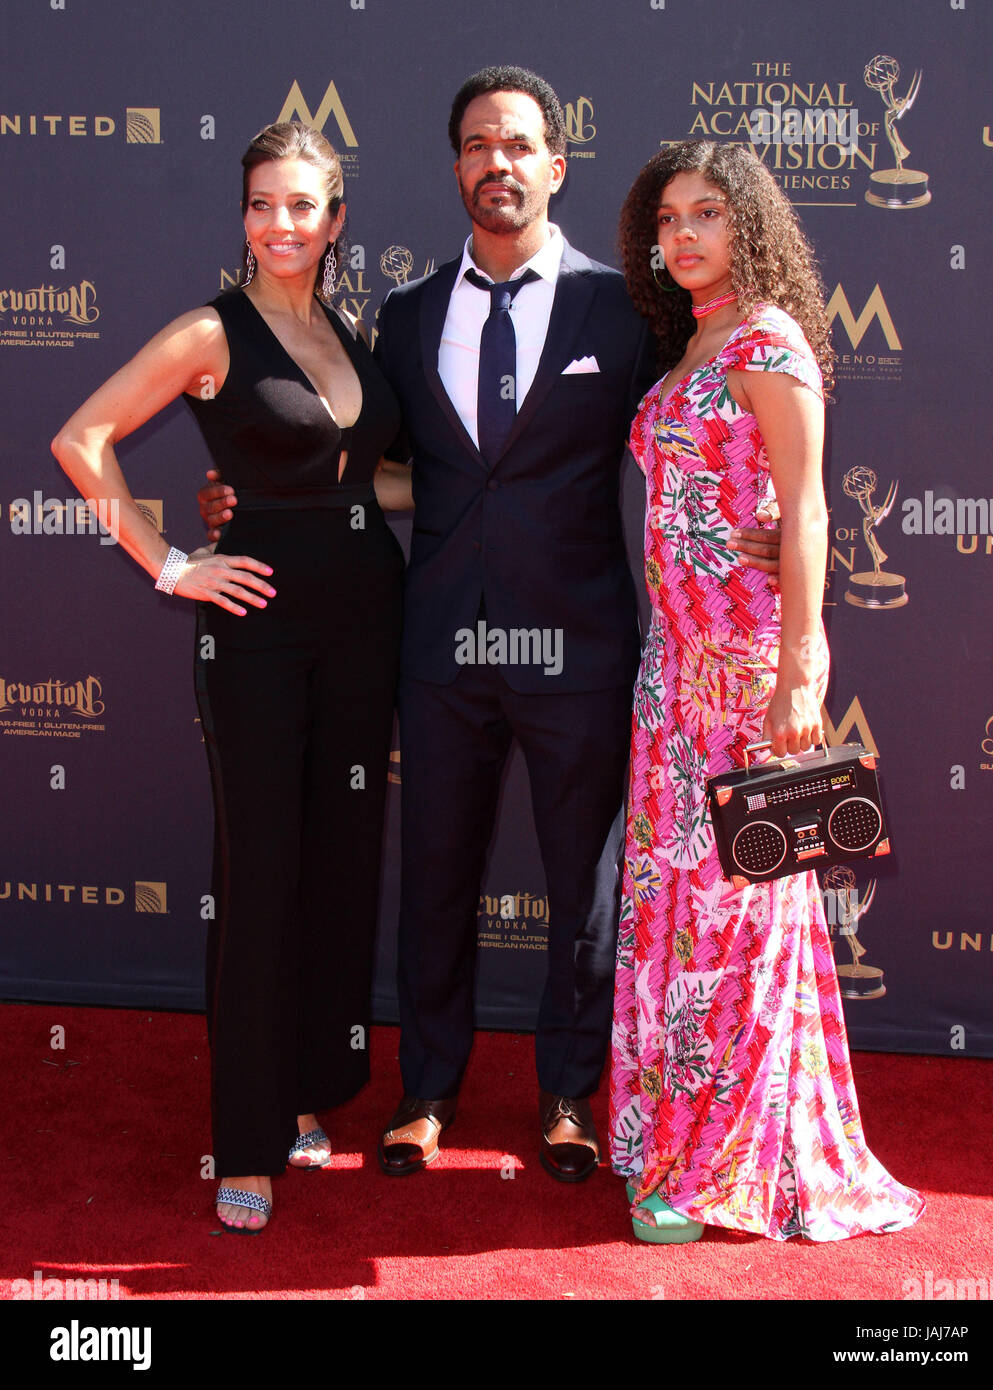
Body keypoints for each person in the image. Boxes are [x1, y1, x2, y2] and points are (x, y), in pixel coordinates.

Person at [200, 70, 780, 1182]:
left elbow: (711, 412)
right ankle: (427, 1089)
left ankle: (567, 1092)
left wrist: (771, 522)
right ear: (456, 167)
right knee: (434, 875)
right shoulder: (407, 315)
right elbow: (363, 465)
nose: (497, 163)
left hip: (578, 646)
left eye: (519, 144)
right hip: (439, 649)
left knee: (583, 885)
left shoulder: (628, 308)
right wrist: (238, 501)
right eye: (477, 145)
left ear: (557, 166)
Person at [52, 121, 410, 1232]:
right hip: (255, 634)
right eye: (261, 203)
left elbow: (372, 482)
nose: (281, 223)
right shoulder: (211, 330)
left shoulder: (353, 331)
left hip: (365, 622)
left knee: (339, 866)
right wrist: (172, 565)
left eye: (303, 204)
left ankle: (308, 1089)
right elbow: (82, 438)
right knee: (257, 879)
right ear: (243, 217)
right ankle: (245, 1142)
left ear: (336, 218)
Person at [608, 141, 925, 1241]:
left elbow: (808, 508)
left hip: (744, 674)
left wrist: (801, 670)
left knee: (731, 916)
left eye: (708, 213)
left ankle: (708, 1167)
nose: (684, 234)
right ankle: (677, 1135)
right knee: (679, 906)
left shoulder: (765, 338)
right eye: (668, 219)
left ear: (750, 226)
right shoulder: (693, 337)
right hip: (672, 673)